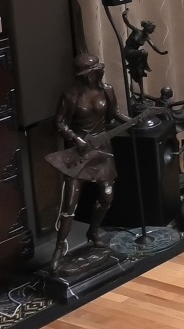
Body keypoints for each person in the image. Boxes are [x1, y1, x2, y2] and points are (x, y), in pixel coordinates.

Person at [48, 53, 133, 272]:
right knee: (69, 205)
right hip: (79, 155)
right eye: (96, 71)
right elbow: (59, 122)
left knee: (107, 197)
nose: (101, 73)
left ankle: (93, 231)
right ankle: (59, 250)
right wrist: (76, 139)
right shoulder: (71, 95)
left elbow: (115, 113)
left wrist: (133, 122)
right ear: (87, 75)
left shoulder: (107, 90)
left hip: (103, 151)